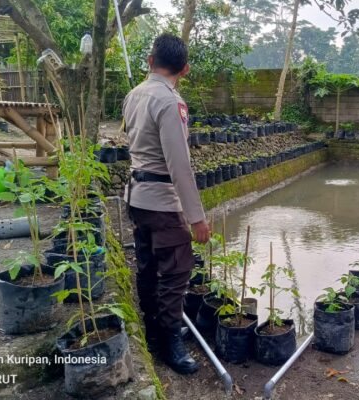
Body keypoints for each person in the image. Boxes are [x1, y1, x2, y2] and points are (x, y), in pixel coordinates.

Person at [123, 33, 211, 374]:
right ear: (185, 69)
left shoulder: (134, 95)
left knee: (147, 267)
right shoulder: (170, 102)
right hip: (161, 202)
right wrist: (197, 218)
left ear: (149, 60)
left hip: (137, 197)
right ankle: (170, 343)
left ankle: (154, 329)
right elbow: (179, 165)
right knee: (175, 273)